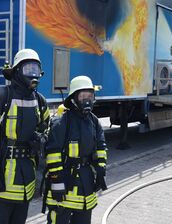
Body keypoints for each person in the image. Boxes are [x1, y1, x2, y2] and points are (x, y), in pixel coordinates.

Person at [0, 49, 50, 224]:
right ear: (16, 71)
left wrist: (41, 140)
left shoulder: (40, 101)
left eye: (36, 70)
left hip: (25, 182)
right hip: (0, 180)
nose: (33, 75)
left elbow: (46, 130)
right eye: (28, 69)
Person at [43, 75, 107, 224]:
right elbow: (52, 153)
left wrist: (100, 170)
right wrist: (57, 182)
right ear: (73, 98)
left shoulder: (94, 121)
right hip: (65, 184)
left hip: (86, 184)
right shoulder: (61, 122)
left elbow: (101, 147)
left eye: (90, 96)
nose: (87, 100)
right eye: (83, 95)